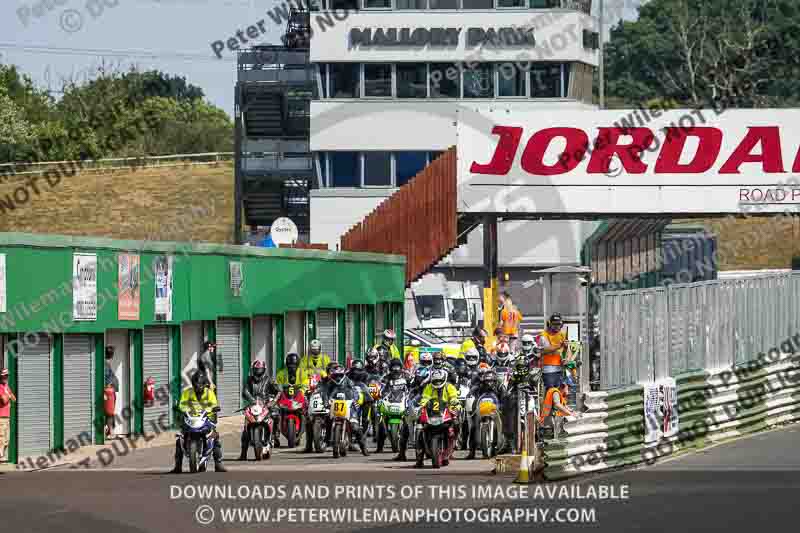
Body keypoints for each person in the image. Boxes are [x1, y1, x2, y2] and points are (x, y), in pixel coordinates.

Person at [171, 370, 226, 473]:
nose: (198, 387)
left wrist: (213, 408)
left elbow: (214, 404)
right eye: (196, 385)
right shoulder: (187, 392)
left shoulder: (209, 393)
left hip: (206, 418)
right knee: (180, 439)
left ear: (204, 384)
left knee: (215, 437)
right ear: (193, 384)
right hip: (190, 419)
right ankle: (177, 466)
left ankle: (218, 463)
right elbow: (182, 404)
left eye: (200, 385)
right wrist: (182, 408)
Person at [415, 368, 461, 467]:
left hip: (447, 410)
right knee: (419, 429)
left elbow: (453, 396)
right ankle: (419, 459)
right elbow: (425, 397)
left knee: (456, 422)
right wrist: (422, 404)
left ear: (444, 379)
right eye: (435, 381)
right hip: (432, 412)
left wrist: (454, 401)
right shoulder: (429, 387)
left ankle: (455, 440)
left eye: (439, 380)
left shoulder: (449, 386)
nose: (438, 382)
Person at [239, 360, 279, 460]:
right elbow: (245, 391)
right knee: (245, 428)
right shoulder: (249, 379)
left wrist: (272, 402)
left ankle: (274, 436)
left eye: (260, 370)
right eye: (256, 370)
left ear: (264, 370)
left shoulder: (269, 380)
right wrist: (251, 399)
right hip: (253, 405)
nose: (258, 372)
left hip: (265, 404)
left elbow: (278, 391)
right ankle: (243, 453)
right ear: (253, 370)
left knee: (276, 415)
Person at [327, 364, 369, 456]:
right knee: (326, 420)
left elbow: (354, 390)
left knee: (355, 426)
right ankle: (327, 440)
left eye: (339, 376)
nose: (338, 378)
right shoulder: (329, 383)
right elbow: (325, 392)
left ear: (343, 375)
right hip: (334, 405)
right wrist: (326, 401)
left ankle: (363, 447)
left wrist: (355, 399)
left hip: (348, 404)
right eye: (335, 376)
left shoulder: (348, 381)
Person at [465, 368, 500, 460]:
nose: (489, 383)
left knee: (504, 426)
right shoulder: (478, 387)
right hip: (482, 409)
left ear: (495, 381)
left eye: (491, 381)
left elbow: (505, 396)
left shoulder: (499, 386)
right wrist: (470, 395)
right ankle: (471, 452)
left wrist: (504, 403)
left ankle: (502, 448)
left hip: (496, 409)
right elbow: (470, 394)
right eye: (487, 381)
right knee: (473, 427)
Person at [539, 313, 569, 390]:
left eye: (559, 324)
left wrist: (565, 351)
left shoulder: (562, 334)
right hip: (548, 368)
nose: (557, 326)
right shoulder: (544, 335)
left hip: (560, 368)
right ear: (550, 324)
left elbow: (564, 351)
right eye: (554, 324)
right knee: (551, 391)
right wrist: (559, 346)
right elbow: (543, 351)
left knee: (561, 392)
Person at [103, 346, 120, 439]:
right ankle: (110, 432)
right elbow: (106, 379)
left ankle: (109, 431)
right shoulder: (105, 365)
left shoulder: (107, 364)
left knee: (110, 412)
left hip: (110, 392)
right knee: (109, 412)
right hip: (108, 392)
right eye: (112, 353)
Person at [0, 369, 17, 461]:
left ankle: (2, 455)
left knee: (6, 439)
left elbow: (14, 398)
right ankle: (1, 456)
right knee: (1, 437)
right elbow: (4, 400)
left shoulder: (6, 387)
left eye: (7, 376)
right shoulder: (0, 387)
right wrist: (8, 395)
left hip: (6, 416)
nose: (6, 378)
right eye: (4, 376)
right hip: (1, 416)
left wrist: (9, 394)